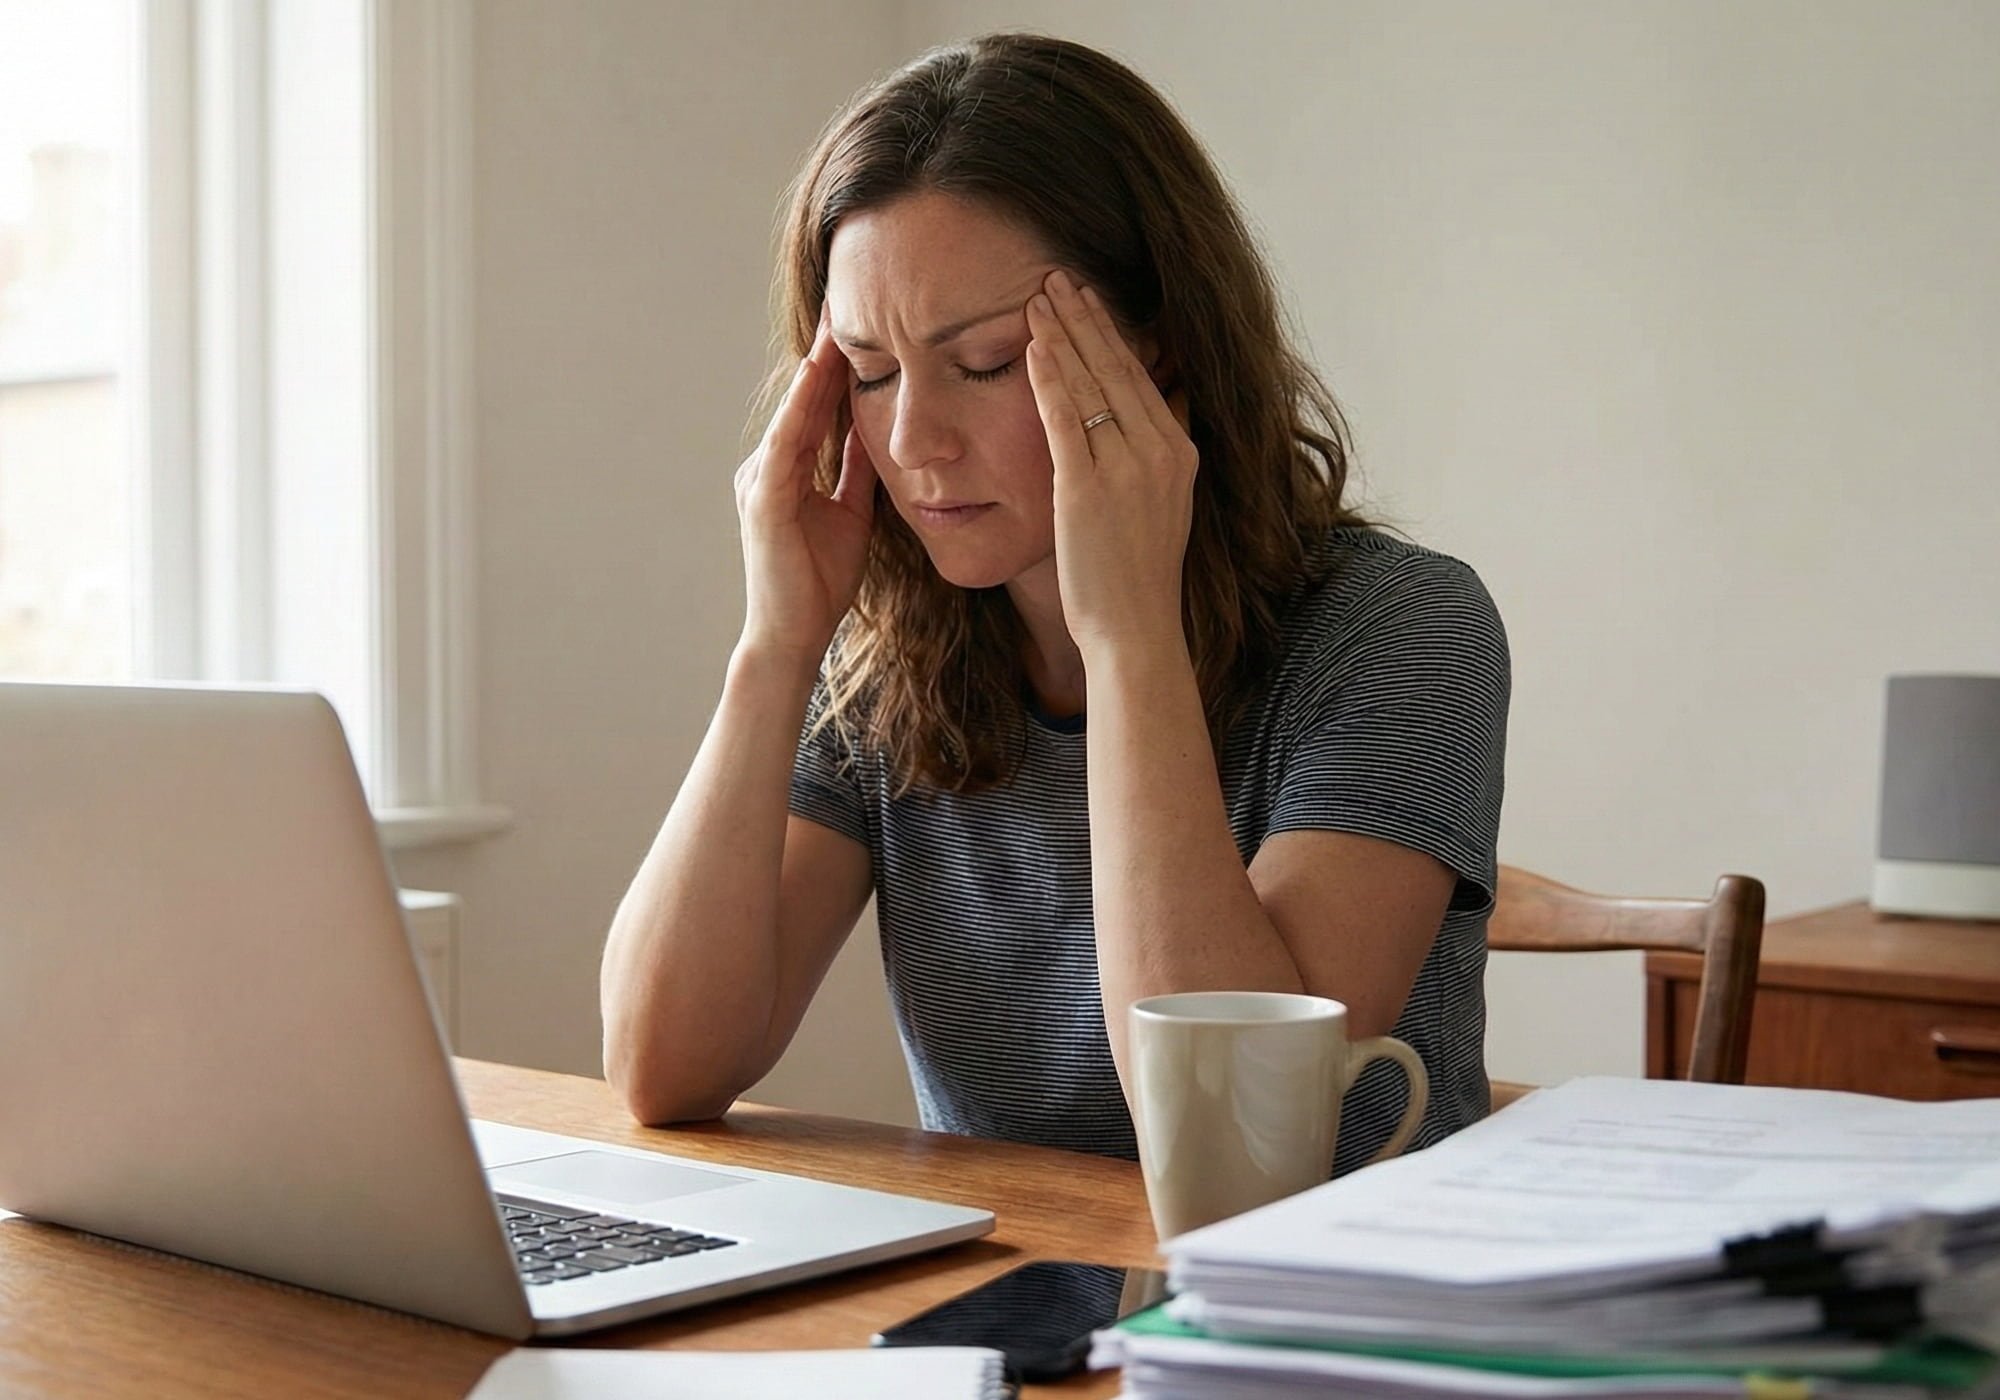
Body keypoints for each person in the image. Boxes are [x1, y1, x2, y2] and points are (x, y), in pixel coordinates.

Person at [600, 32, 1509, 1176]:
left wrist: (1126, 637)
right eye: (870, 373)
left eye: (981, 363)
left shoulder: (1401, 629)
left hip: (1303, 1314)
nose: (912, 441)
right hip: (1001, 1306)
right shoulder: (888, 661)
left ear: (1159, 352)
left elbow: (1234, 1133)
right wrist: (774, 644)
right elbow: (661, 1062)